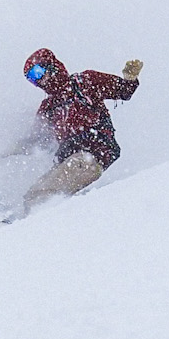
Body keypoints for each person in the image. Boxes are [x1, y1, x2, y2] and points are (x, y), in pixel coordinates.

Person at [17, 47, 142, 215]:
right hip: (68, 159)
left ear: (51, 65)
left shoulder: (84, 82)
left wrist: (129, 79)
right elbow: (37, 138)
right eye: (32, 79)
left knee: (48, 190)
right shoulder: (49, 106)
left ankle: (38, 215)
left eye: (38, 72)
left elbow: (123, 91)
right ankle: (27, 219)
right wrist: (12, 150)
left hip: (93, 151)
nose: (39, 80)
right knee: (34, 193)